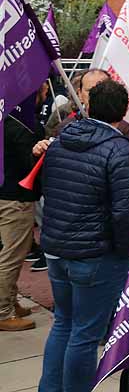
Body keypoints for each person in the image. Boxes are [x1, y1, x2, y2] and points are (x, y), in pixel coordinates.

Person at [38, 79, 129, 392]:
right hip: (95, 254)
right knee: (83, 334)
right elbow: (126, 211)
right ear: (123, 112)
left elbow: (51, 190)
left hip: (59, 248)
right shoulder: (117, 149)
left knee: (64, 324)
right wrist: (126, 252)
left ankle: (50, 388)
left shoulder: (60, 140)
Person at [0, 104, 41, 331]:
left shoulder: (7, 121)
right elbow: (30, 162)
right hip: (15, 198)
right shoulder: (19, 126)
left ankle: (9, 300)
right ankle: (3, 311)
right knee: (12, 255)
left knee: (12, 252)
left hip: (7, 194)